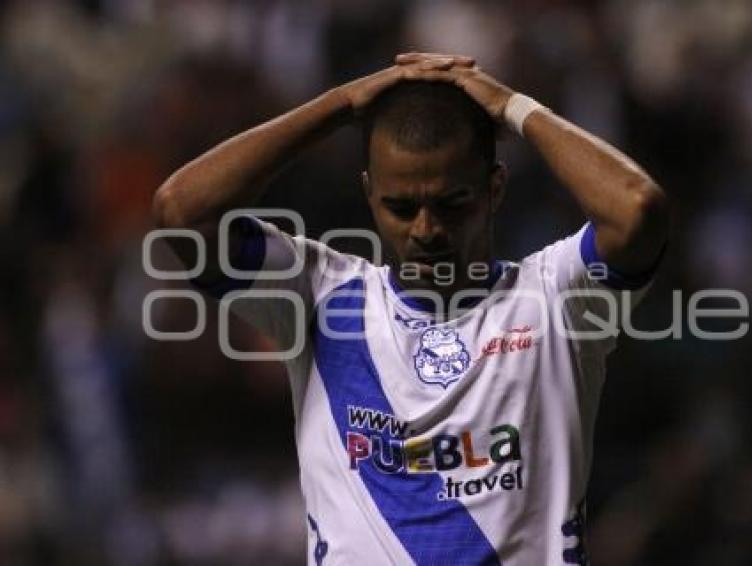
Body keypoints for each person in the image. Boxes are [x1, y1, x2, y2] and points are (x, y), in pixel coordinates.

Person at [152, 52, 669, 565]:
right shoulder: (318, 295)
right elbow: (183, 210)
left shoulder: (554, 300)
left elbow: (635, 208)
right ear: (368, 194)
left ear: (495, 189)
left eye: (452, 203)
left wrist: (513, 107)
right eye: (401, 207)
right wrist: (341, 105)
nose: (426, 230)